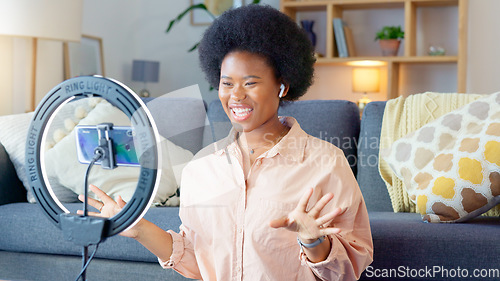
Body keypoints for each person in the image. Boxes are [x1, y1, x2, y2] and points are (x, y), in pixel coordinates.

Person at [80, 5, 373, 281]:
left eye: (251, 82)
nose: (236, 96)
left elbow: (348, 271)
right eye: (227, 83)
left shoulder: (325, 163)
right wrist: (138, 228)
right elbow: (198, 261)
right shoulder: (201, 168)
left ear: (282, 85)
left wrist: (314, 241)